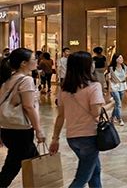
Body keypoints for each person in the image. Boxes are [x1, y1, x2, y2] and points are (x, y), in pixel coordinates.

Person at [50, 51, 112, 188]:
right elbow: (95, 112)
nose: (94, 64)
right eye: (92, 62)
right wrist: (111, 104)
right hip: (89, 136)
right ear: (86, 66)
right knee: (81, 179)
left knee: (95, 171)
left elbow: (60, 116)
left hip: (72, 137)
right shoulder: (93, 86)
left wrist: (55, 138)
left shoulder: (64, 89)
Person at [0, 48, 46, 187]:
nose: (36, 61)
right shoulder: (26, 80)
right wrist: (38, 130)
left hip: (7, 128)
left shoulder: (8, 79)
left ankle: (40, 184)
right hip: (21, 130)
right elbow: (28, 107)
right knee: (12, 166)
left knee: (34, 159)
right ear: (23, 63)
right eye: (33, 59)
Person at [105, 54, 127, 126]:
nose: (121, 59)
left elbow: (126, 76)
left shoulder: (124, 67)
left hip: (122, 86)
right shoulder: (111, 68)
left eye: (122, 57)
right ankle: (119, 119)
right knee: (118, 103)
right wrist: (109, 88)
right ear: (116, 59)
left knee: (117, 104)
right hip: (114, 87)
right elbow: (108, 78)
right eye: (119, 57)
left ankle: (112, 117)